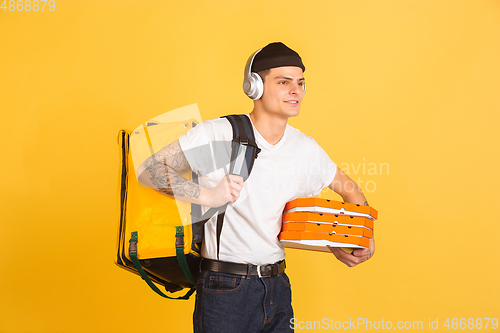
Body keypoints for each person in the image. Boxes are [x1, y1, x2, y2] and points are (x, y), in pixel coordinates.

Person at [139, 42, 375, 332]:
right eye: (283, 82)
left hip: (278, 285)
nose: (295, 90)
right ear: (254, 86)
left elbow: (351, 191)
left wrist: (355, 239)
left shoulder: (305, 149)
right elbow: (149, 172)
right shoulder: (221, 134)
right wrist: (208, 195)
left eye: (300, 83)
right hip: (225, 287)